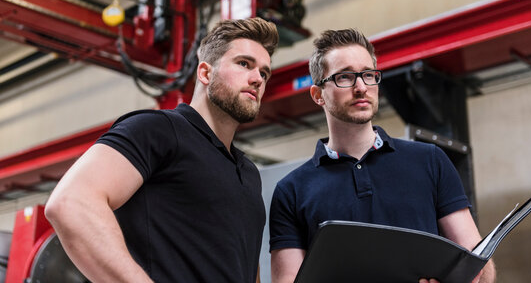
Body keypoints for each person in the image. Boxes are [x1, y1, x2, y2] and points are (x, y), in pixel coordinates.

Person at [45, 17, 279, 283]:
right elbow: (71, 203)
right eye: (244, 64)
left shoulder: (248, 172)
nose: (257, 79)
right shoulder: (159, 130)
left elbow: (244, 266)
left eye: (264, 72)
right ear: (205, 73)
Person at [269, 28, 496, 283]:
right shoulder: (291, 191)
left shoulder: (430, 161)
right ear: (318, 95)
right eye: (344, 77)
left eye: (368, 75)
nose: (360, 87)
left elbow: (479, 267)